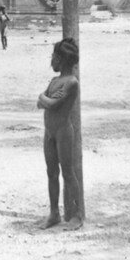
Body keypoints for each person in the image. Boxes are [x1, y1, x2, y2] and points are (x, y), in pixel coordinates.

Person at [36, 38, 82, 230]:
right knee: (51, 172)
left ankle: (78, 215)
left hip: (63, 131)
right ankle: (54, 212)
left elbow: (50, 103)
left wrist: (43, 98)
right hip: (50, 132)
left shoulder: (71, 82)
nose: (51, 62)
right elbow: (45, 101)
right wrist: (45, 99)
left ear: (62, 60)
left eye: (54, 57)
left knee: (68, 173)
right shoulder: (55, 81)